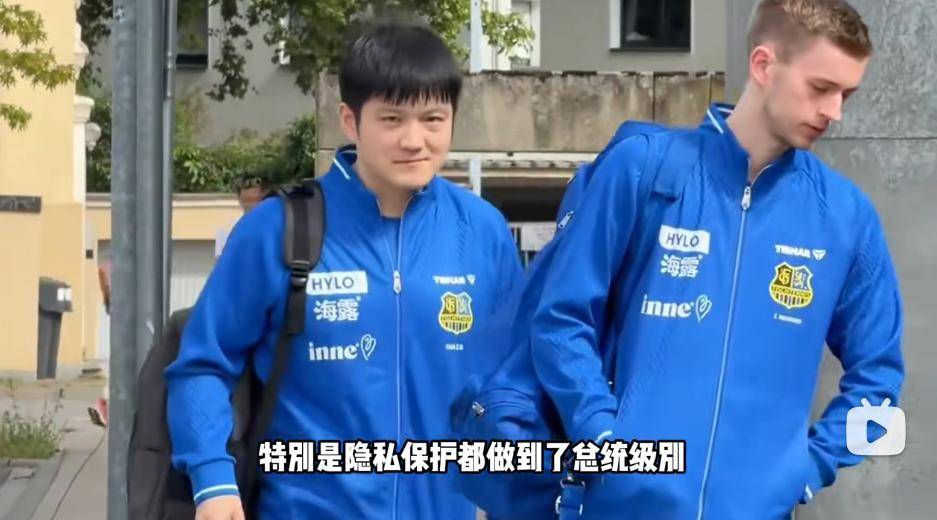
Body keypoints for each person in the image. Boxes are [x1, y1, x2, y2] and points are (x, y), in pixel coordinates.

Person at [527, 1, 904, 518]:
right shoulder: (643, 170)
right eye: (821, 88)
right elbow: (561, 319)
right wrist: (601, 435)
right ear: (763, 65)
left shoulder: (844, 217)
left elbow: (879, 380)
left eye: (846, 94)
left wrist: (808, 468)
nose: (834, 111)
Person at [165, 20, 523, 520]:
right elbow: (204, 363)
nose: (414, 140)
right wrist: (212, 479)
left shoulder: (482, 231)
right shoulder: (277, 228)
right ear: (350, 121)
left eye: (433, 119)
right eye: (392, 119)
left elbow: (513, 379)